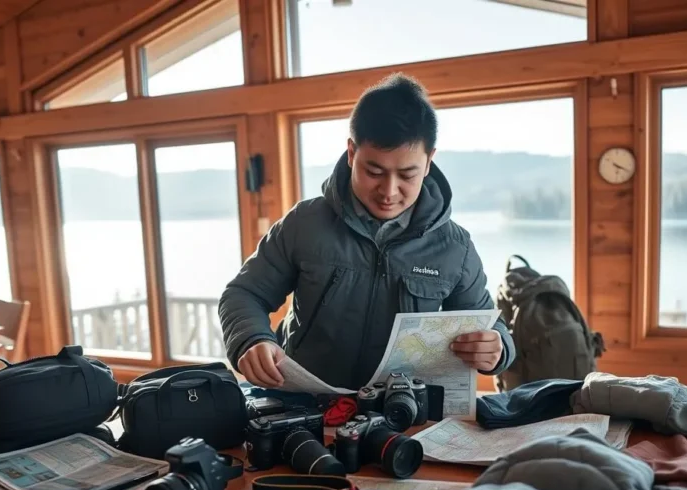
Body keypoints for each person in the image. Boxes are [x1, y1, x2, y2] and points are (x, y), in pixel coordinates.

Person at [218, 73, 515, 391]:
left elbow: (488, 323)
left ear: (429, 162)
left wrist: (497, 349)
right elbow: (243, 294)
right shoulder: (304, 224)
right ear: (351, 153)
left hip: (403, 410)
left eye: (407, 175)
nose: (389, 191)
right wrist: (252, 338)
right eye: (374, 171)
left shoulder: (456, 248)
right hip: (304, 403)